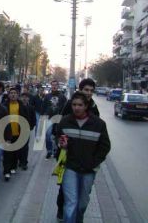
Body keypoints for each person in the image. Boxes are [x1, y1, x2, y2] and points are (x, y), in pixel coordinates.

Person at [56, 92, 110, 223]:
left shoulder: (98, 124)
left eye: (80, 105)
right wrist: (61, 145)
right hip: (70, 167)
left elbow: (105, 147)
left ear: (86, 106)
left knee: (82, 204)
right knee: (71, 203)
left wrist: (94, 162)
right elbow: (58, 140)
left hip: (88, 170)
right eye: (74, 104)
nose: (76, 108)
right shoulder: (65, 122)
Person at [2, 87, 30, 180]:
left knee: (15, 152)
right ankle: (6, 171)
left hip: (18, 132)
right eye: (11, 93)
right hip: (7, 133)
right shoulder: (4, 106)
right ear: (9, 95)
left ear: (18, 95)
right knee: (7, 152)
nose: (13, 94)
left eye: (15, 93)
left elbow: (27, 118)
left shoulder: (22, 106)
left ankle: (13, 166)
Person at [42, 80, 67, 159]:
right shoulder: (47, 96)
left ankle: (56, 150)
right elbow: (43, 106)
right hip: (49, 118)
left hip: (59, 118)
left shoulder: (62, 96)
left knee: (58, 136)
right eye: (53, 85)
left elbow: (66, 107)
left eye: (56, 85)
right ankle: (49, 151)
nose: (54, 86)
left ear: (58, 86)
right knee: (48, 135)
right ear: (51, 86)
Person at [19, 92, 36, 169]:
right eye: (23, 97)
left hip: (26, 129)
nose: (24, 98)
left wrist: (31, 127)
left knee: (25, 147)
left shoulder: (31, 108)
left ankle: (24, 162)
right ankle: (19, 160)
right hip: (17, 129)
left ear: (28, 98)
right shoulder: (18, 107)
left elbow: (33, 118)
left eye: (26, 97)